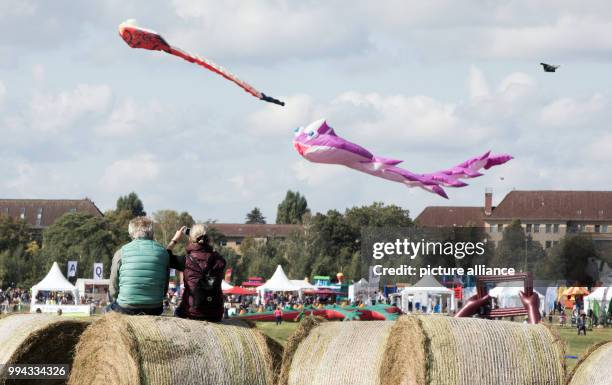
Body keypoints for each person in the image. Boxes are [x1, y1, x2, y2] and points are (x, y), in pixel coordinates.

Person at [108, 217, 170, 315]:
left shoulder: (121, 252)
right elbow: (165, 287)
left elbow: (113, 287)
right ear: (152, 232)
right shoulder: (164, 253)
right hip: (155, 308)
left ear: (131, 232)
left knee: (108, 309)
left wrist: (116, 298)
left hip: (126, 307)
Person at [167, 224, 226, 322]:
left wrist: (175, 239)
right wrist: (210, 248)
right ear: (208, 239)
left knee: (177, 312)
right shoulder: (220, 260)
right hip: (215, 314)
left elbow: (166, 256)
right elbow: (217, 257)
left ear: (190, 239)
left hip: (190, 312)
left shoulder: (185, 260)